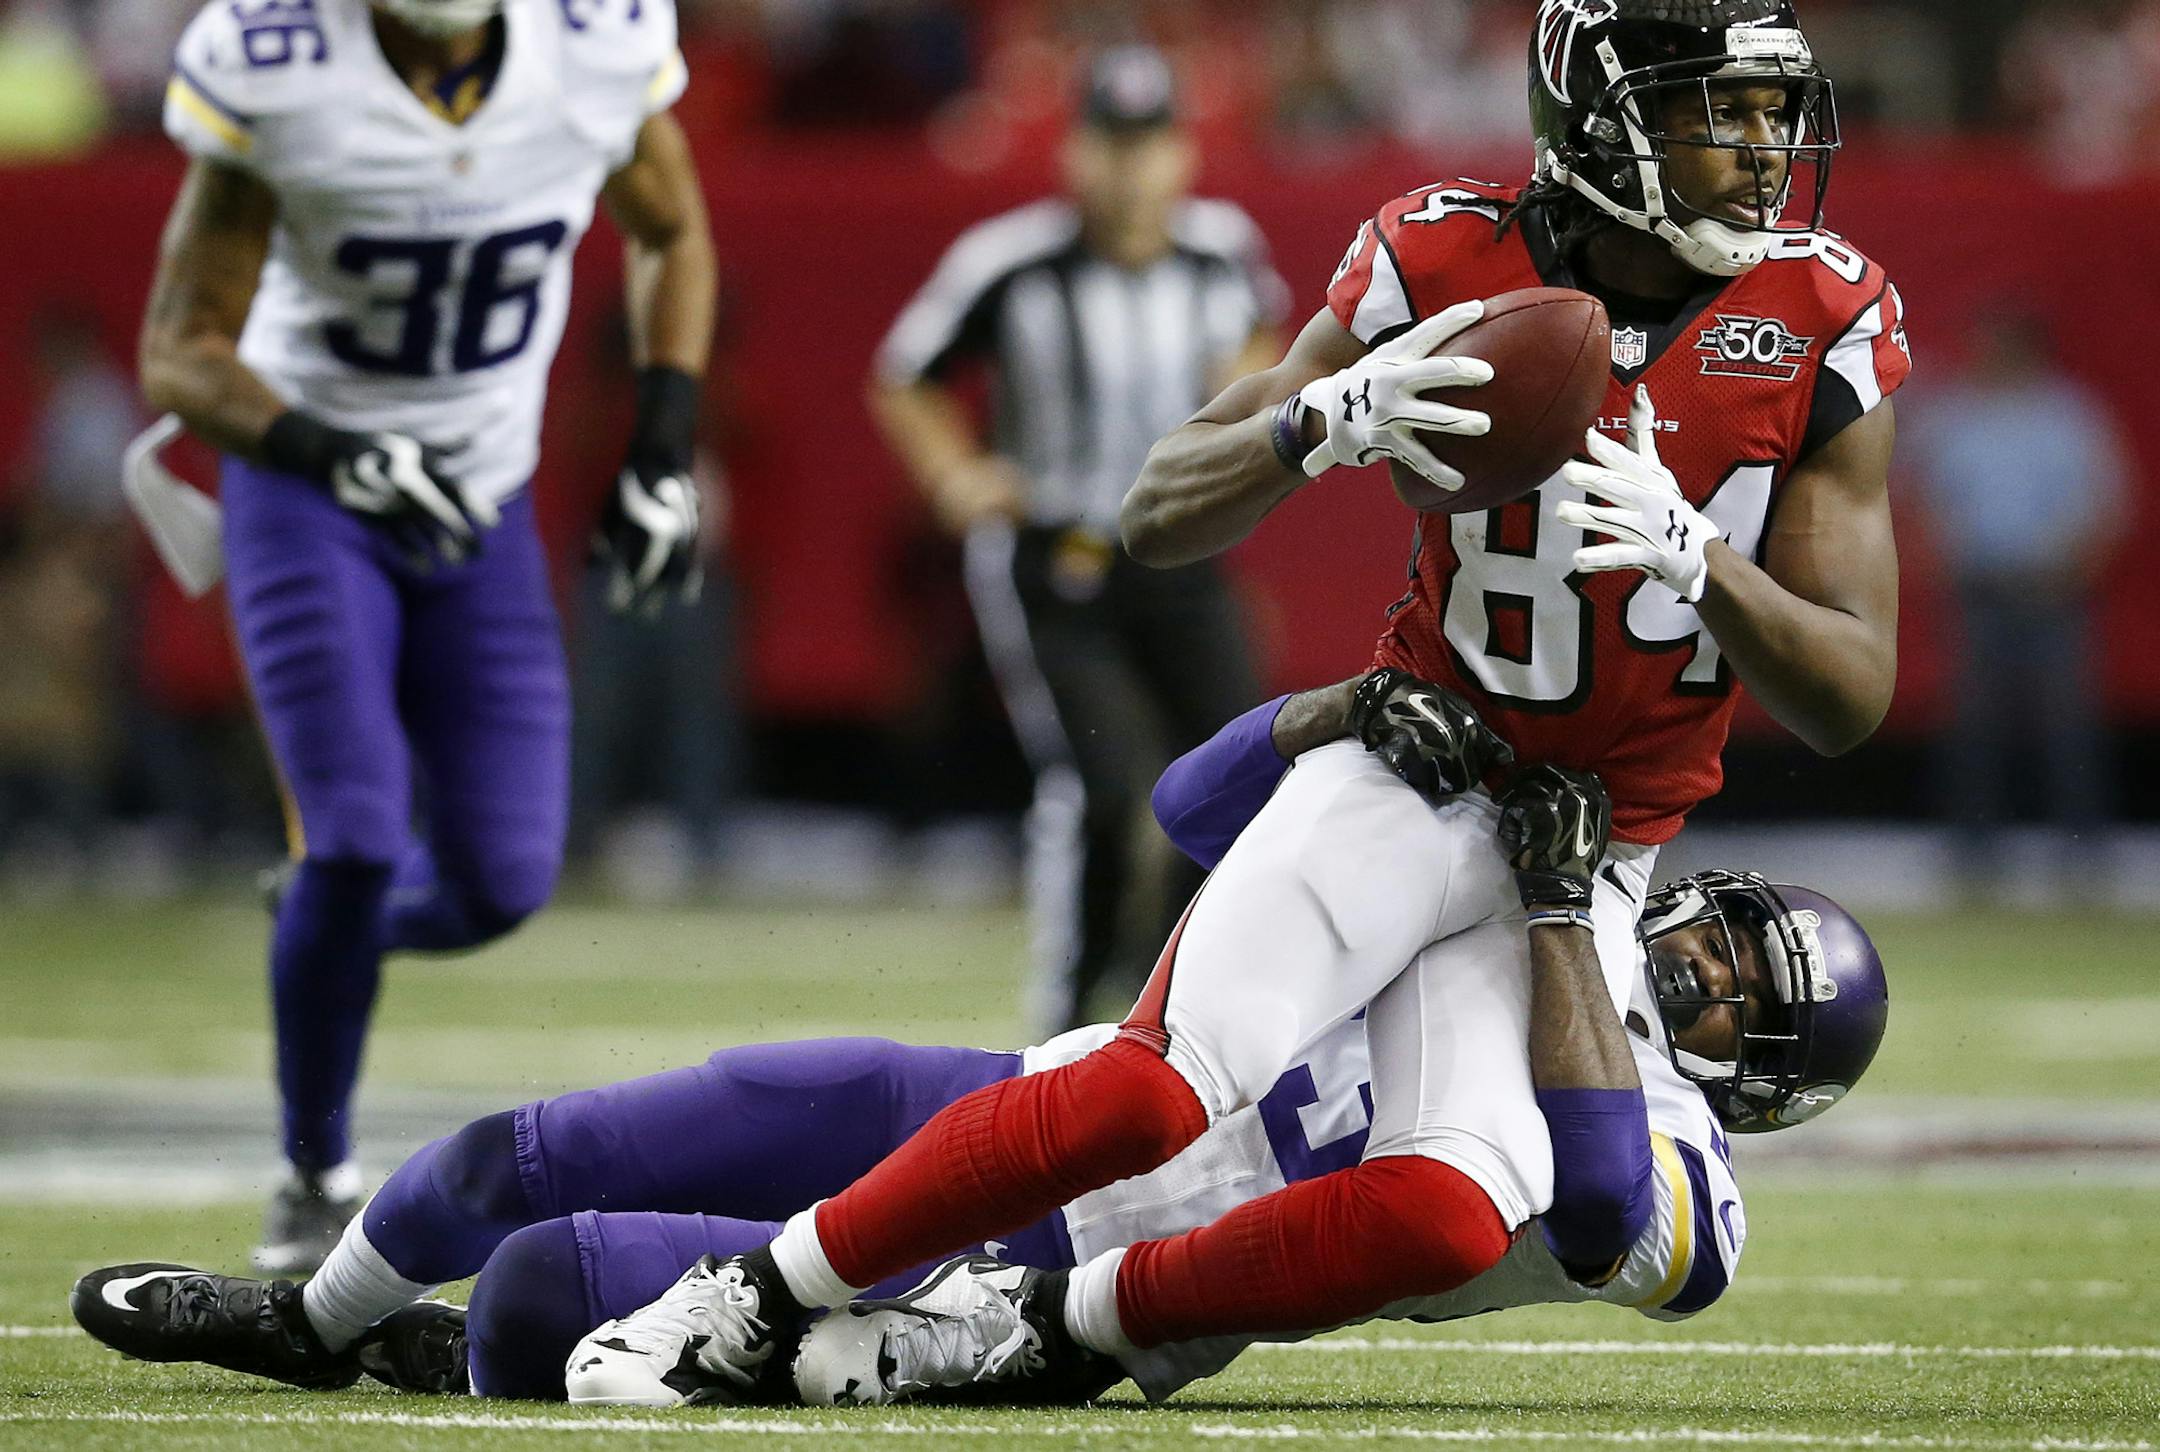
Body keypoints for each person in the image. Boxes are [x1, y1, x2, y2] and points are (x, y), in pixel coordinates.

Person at [553, 0, 1910, 1388]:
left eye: (1770, 110)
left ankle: (1051, 1330)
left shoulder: (1826, 314)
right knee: (1154, 1085)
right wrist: (1313, 423)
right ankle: (755, 1293)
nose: (1763, 149)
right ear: (1604, 119)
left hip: (1591, 850)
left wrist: (1705, 565)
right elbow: (1156, 510)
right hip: (1422, 768)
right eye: (1720, 109)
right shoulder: (1443, 252)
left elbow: (1850, 693)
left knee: (1451, 1208)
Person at [66, 670, 1890, 1406]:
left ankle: (437, 1355)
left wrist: (1563, 912)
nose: (1708, 968)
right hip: (1034, 1104)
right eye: (1726, 932)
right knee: (530, 1149)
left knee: (547, 1289)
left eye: (1744, 996)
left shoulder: (1685, 1190)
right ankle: (305, 1326)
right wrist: (1345, 710)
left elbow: (1581, 1199)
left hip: (1080, 1272)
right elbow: (1185, 810)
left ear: (1759, 1086)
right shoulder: (1528, 864)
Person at [136, 0, 715, 1274]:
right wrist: (330, 450)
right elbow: (180, 352)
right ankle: (310, 1170)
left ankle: (319, 926)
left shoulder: (594, 44)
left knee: (501, 880)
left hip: (480, 494)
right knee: (353, 827)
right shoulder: (282, 62)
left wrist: (664, 447)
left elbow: (672, 233)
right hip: (307, 490)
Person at [867, 44, 1285, 1032]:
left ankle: (1173, 1002)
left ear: (1183, 153)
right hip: (1058, 561)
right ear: (1075, 152)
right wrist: (955, 475)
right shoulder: (1010, 261)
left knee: (1243, 780)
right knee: (1103, 785)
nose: (1130, 169)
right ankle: (1062, 1010)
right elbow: (905, 373)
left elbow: (1268, 343)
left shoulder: (1223, 248)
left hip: (1179, 558)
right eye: (1111, 143)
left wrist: (1238, 427)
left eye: (1150, 144)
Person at [1906, 306, 2127, 890]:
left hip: (2051, 590)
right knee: (1974, 731)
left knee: (2065, 729)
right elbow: (1921, 489)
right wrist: (1939, 554)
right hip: (1979, 589)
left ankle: (2083, 856)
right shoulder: (1958, 416)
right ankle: (1974, 859)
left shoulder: (2067, 417)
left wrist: (2069, 568)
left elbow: (2106, 504)